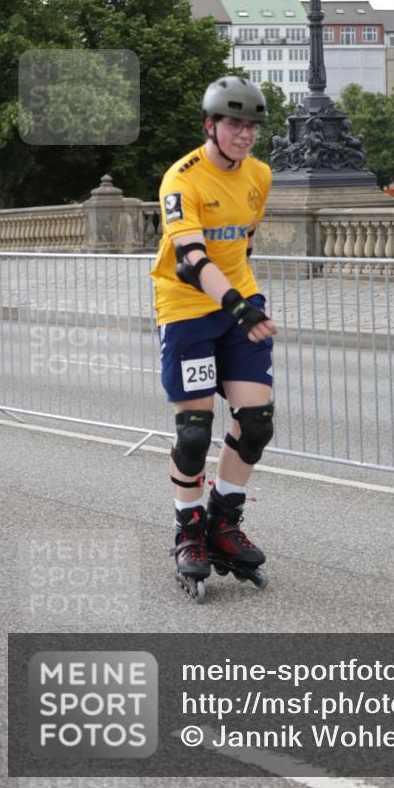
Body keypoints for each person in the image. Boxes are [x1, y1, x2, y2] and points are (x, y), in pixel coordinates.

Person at [151, 75, 277, 599]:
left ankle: (223, 523)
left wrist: (243, 306)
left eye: (250, 126)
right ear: (210, 125)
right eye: (233, 124)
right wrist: (239, 307)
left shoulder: (260, 176)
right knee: (195, 432)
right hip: (188, 310)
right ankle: (188, 531)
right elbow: (191, 260)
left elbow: (242, 244)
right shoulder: (182, 180)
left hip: (238, 307)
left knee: (256, 424)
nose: (243, 135)